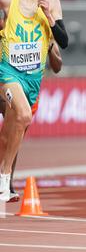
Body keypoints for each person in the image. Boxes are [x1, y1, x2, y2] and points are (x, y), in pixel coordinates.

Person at [0, 0, 68, 201]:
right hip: (6, 73)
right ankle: (4, 181)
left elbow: (64, 41)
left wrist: (50, 18)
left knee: (14, 131)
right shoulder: (8, 2)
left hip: (32, 80)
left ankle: (5, 180)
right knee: (22, 115)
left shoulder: (52, 3)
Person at [0, 39, 62, 201]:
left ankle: (7, 184)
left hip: (23, 88)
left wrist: (50, 49)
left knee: (14, 137)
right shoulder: (9, 24)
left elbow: (57, 67)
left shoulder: (44, 31)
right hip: (5, 81)